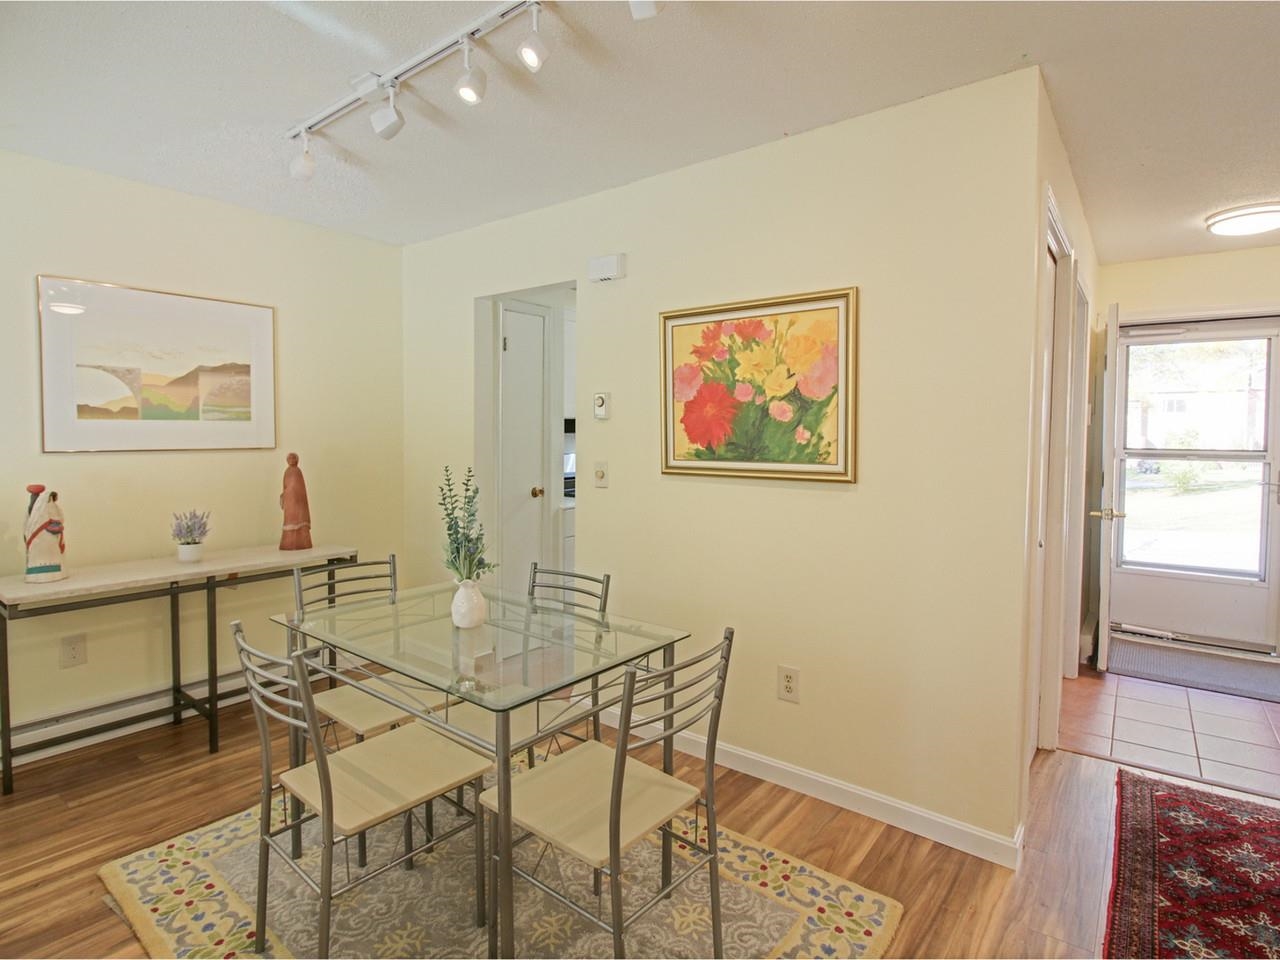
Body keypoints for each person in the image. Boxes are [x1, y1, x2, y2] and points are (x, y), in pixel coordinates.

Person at [24, 483, 67, 582]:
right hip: (41, 534)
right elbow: (32, 521)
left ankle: (53, 571)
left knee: (51, 551)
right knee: (40, 551)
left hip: (49, 533)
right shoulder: (40, 506)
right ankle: (39, 573)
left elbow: (59, 517)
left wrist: (56, 524)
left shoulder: (51, 505)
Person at [279, 452, 313, 550]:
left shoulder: (298, 471)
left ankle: (301, 541)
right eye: (289, 458)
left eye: (293, 458)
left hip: (298, 501)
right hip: (290, 502)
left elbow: (298, 488)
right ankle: (289, 542)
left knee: (300, 520)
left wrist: (292, 493)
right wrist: (284, 495)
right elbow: (285, 486)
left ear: (297, 460)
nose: (291, 460)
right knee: (289, 520)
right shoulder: (287, 472)